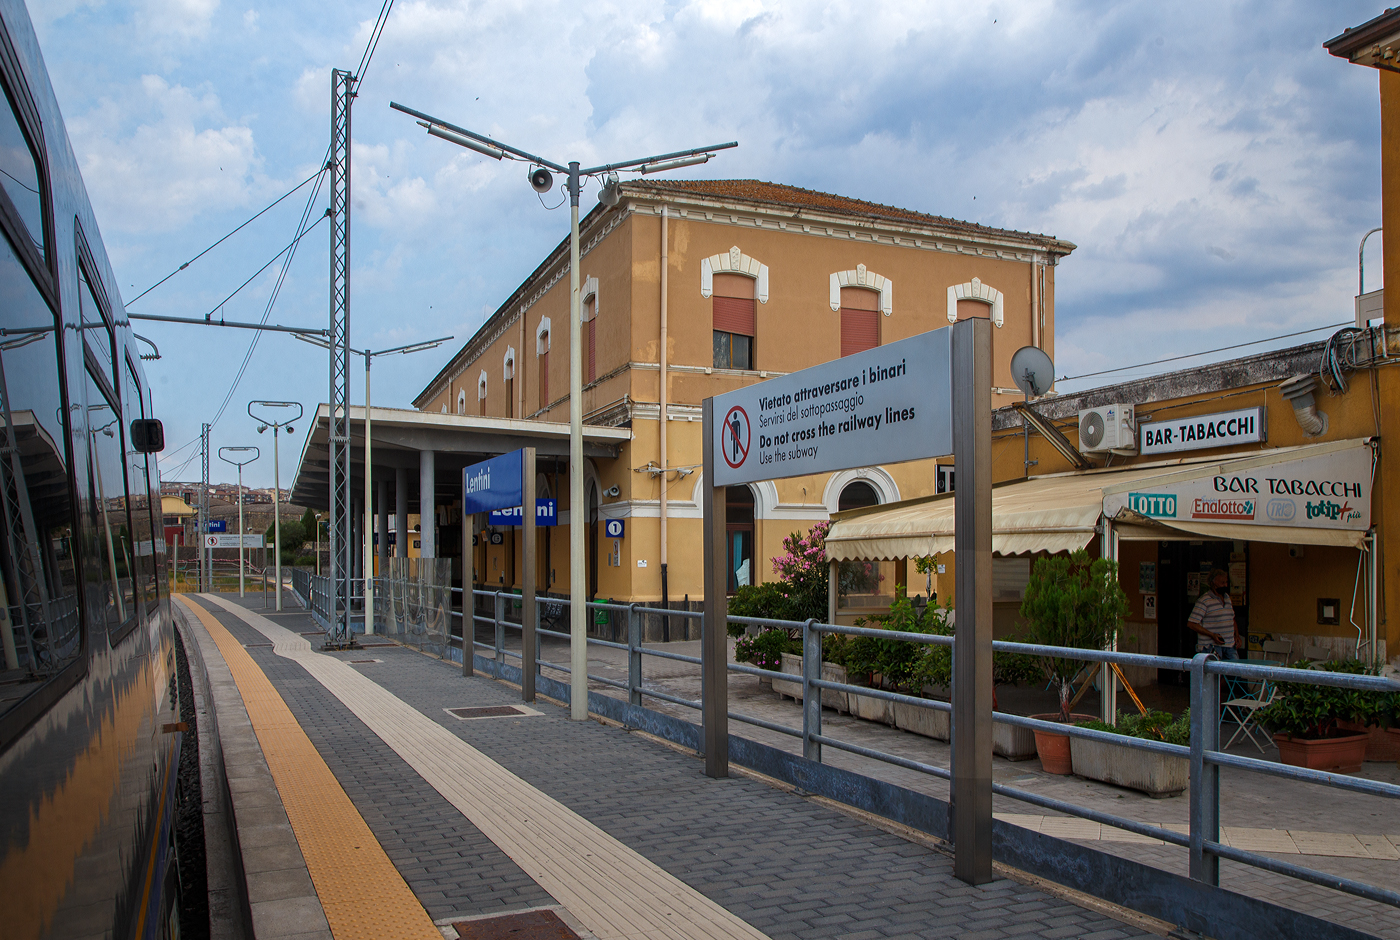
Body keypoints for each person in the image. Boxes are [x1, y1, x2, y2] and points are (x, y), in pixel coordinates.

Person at [1187, 568, 1241, 660]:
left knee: (1234, 668)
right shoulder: (1204, 601)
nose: (1225, 585)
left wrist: (1236, 635)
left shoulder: (1227, 598)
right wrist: (1212, 635)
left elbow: (1231, 618)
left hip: (1230, 645)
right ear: (1213, 583)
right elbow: (1192, 624)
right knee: (1213, 669)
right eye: (1222, 583)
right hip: (1210, 647)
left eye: (1226, 582)